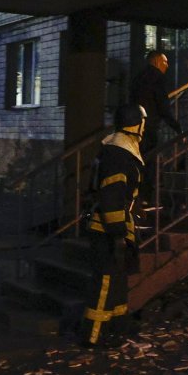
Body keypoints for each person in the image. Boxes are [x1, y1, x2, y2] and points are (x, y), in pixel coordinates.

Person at [79, 104, 145, 346]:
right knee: (105, 282)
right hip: (107, 228)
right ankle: (94, 336)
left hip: (112, 225)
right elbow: (113, 194)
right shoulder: (119, 154)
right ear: (136, 124)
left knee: (117, 280)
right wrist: (118, 232)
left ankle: (117, 326)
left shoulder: (115, 148)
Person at [129, 50, 182, 154]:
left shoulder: (138, 77)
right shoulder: (158, 78)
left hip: (135, 126)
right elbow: (163, 107)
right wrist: (177, 127)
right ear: (157, 62)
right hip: (149, 127)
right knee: (150, 159)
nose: (167, 65)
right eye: (165, 62)